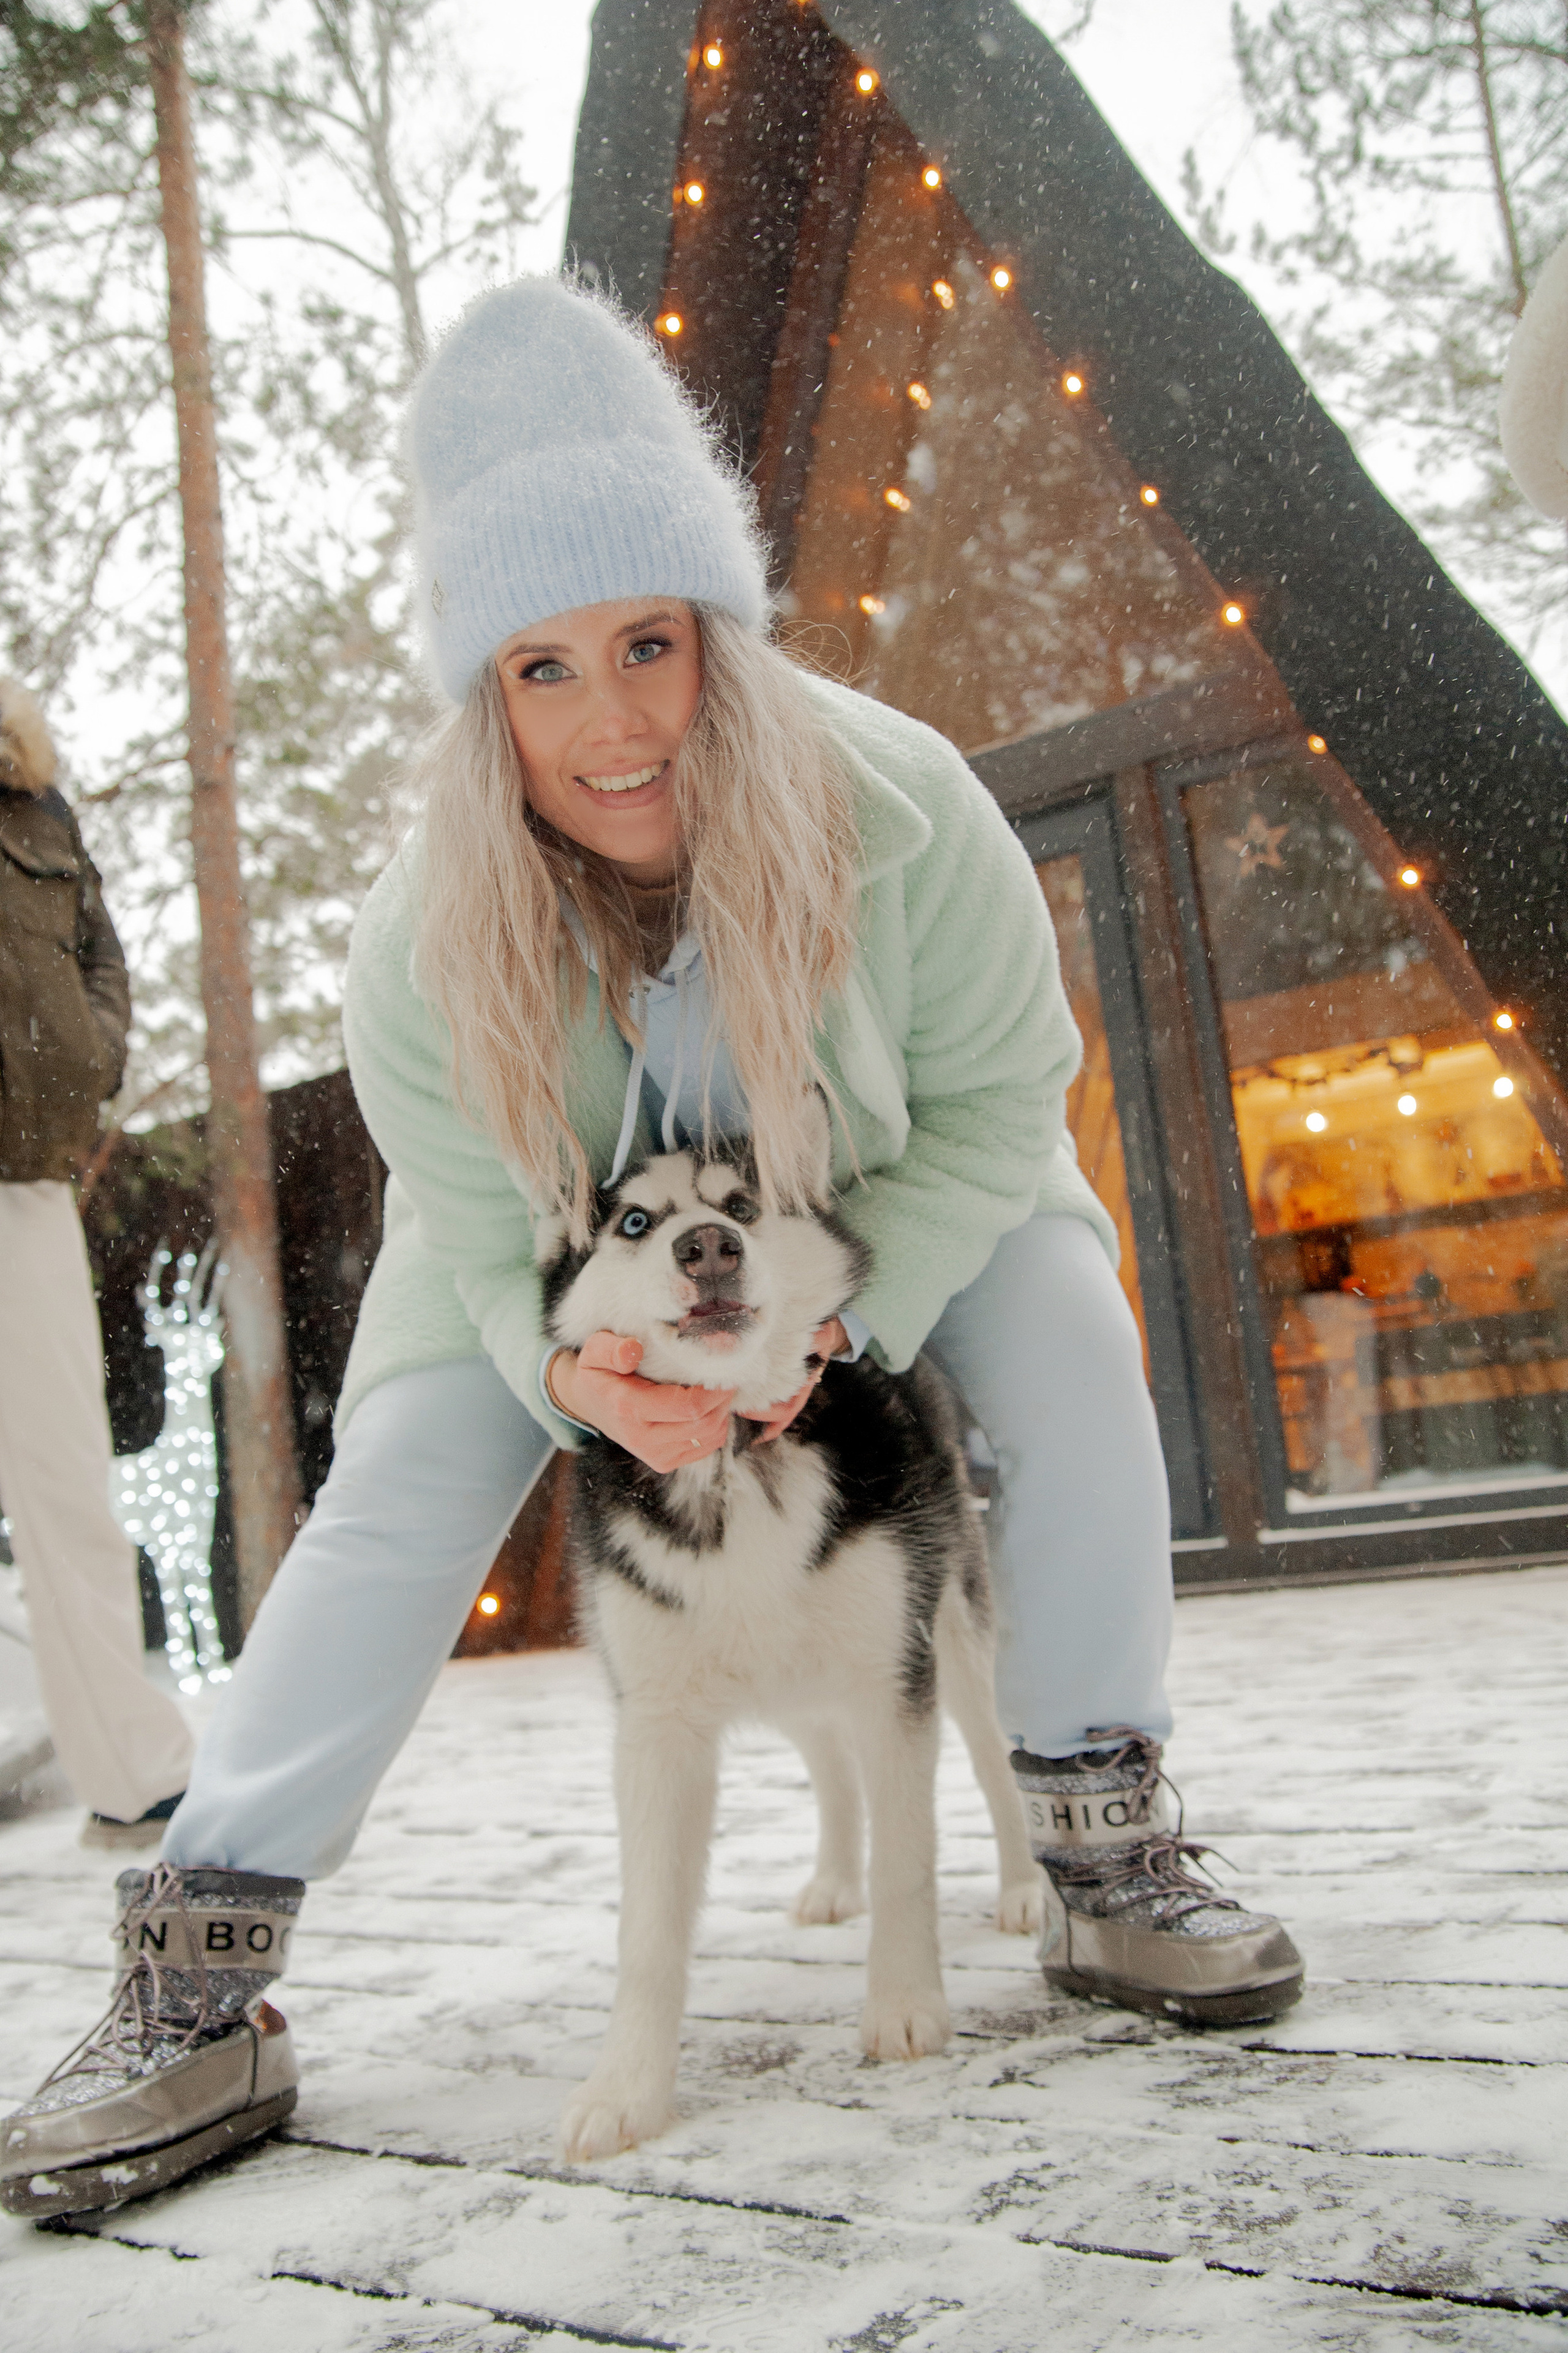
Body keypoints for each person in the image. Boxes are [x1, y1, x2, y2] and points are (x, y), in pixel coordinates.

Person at [0, 281, 1300, 2221]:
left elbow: (1006, 1090)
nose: (609, 722)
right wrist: (568, 1377)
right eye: (541, 668)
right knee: (398, 1493)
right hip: (550, 1260)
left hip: (917, 1200)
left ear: (718, 638)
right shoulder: (421, 940)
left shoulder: (896, 807)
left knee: (1073, 1349)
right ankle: (203, 1959)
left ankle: (1102, 1834)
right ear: (485, 697)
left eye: (645, 644)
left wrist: (836, 1325)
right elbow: (470, 1216)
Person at [0, 678, 192, 1848]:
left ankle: (131, 1772)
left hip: (24, 1188)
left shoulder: (38, 808)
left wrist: (93, 1059)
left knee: (68, 1490)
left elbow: (99, 957)